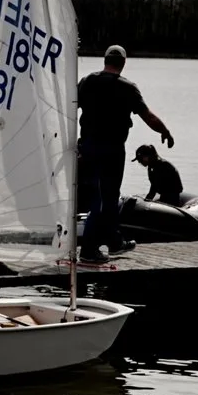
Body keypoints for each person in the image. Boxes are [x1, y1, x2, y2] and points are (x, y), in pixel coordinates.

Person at [76, 45, 173, 262]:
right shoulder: (127, 88)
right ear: (123, 63)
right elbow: (148, 116)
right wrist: (164, 131)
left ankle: (114, 241)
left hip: (88, 149)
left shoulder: (87, 82)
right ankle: (89, 251)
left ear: (105, 60)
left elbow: (67, 106)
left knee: (106, 198)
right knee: (104, 199)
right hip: (111, 151)